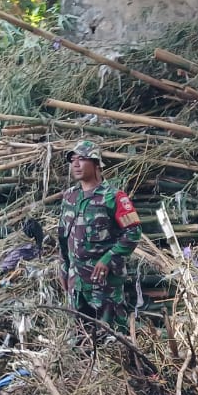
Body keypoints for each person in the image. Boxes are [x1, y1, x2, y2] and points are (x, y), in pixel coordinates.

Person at [57, 141, 142, 329]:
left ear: (96, 163)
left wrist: (108, 259)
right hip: (76, 283)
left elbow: (133, 232)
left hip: (104, 286)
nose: (75, 164)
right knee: (80, 335)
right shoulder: (70, 197)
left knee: (111, 335)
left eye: (81, 159)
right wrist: (63, 267)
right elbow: (63, 236)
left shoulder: (114, 197)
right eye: (72, 160)